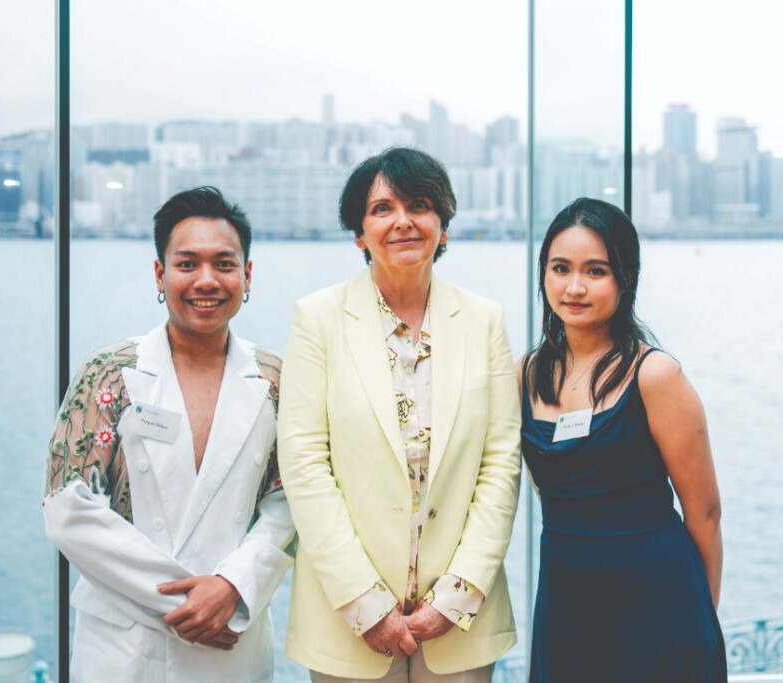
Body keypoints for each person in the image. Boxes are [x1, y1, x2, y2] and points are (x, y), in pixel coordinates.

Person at [277, 147, 522, 682]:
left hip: (461, 622)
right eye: (382, 208)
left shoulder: (485, 321)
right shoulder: (317, 320)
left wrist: (456, 596)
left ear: (444, 224)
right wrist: (364, 602)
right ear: (359, 234)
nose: (403, 221)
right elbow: (304, 465)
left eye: (420, 204)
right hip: (348, 620)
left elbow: (501, 464)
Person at [43, 186, 295, 682]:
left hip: (232, 645)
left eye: (224, 264)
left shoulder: (274, 379)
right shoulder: (110, 372)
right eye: (187, 264)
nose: (207, 280)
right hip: (123, 645)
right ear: (160, 274)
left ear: (247, 275)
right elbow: (66, 506)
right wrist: (190, 601)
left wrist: (232, 587)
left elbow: (289, 499)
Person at [520, 197, 726, 681]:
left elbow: (705, 514)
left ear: (625, 278)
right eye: (560, 268)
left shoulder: (656, 375)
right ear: (543, 274)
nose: (574, 287)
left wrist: (700, 618)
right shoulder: (527, 374)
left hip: (658, 604)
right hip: (566, 606)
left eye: (596, 271)